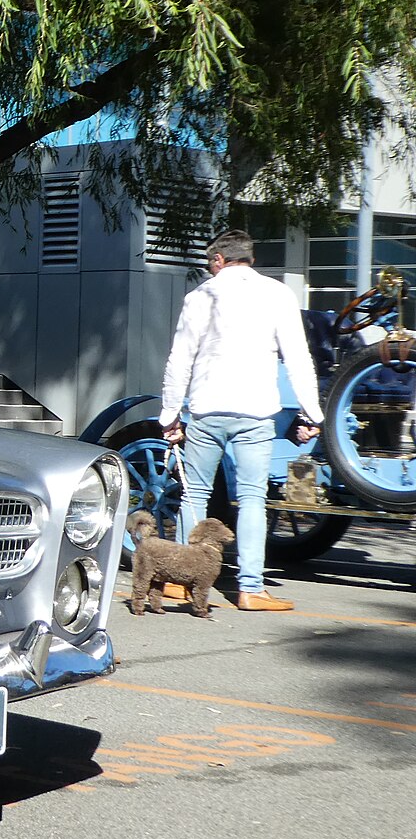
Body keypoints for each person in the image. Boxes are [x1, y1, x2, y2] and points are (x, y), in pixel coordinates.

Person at [159, 229, 324, 612]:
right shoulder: (278, 294)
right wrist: (312, 413)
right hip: (256, 411)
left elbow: (179, 359)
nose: (208, 270)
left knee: (195, 494)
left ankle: (179, 583)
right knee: (252, 497)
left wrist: (170, 415)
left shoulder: (200, 296)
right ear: (249, 258)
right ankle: (250, 589)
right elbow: (298, 358)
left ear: (219, 259)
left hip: (207, 408)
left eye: (209, 263)